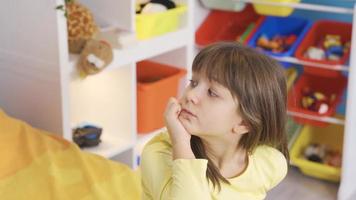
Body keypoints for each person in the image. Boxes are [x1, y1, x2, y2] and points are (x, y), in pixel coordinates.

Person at [140, 42, 289, 200]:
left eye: (212, 93)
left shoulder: (269, 163)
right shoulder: (157, 155)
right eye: (194, 83)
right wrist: (180, 143)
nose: (191, 95)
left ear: (244, 124)